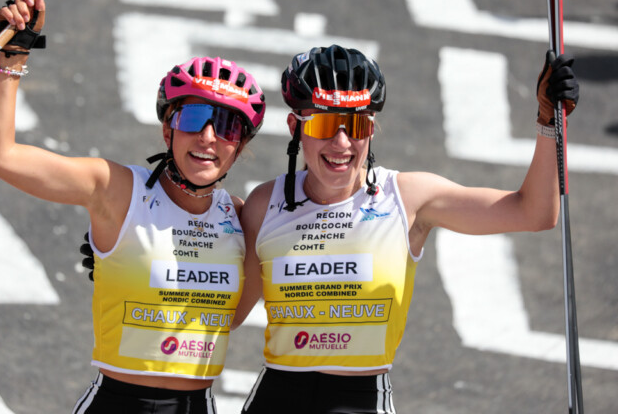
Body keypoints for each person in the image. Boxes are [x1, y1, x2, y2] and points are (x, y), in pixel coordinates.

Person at [236, 44, 578, 414]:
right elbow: (227, 314)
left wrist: (548, 122)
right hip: (276, 398)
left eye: (356, 124)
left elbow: (534, 212)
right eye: (323, 124)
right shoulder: (263, 204)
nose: (341, 143)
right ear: (294, 127)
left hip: (361, 399)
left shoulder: (408, 198)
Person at [0, 0, 266, 414]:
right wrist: (15, 54)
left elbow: (230, 319)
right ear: (168, 130)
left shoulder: (242, 219)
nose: (208, 137)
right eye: (193, 119)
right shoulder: (115, 189)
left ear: (239, 148)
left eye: (226, 127)